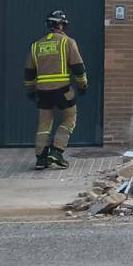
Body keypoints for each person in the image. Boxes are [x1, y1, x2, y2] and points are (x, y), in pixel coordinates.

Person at [24, 10, 88, 170]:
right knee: (69, 119)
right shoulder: (67, 42)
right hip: (63, 91)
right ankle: (57, 153)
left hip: (42, 93)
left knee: (44, 123)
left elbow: (29, 73)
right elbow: (78, 67)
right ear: (62, 25)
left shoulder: (36, 45)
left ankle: (40, 158)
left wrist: (30, 91)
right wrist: (82, 85)